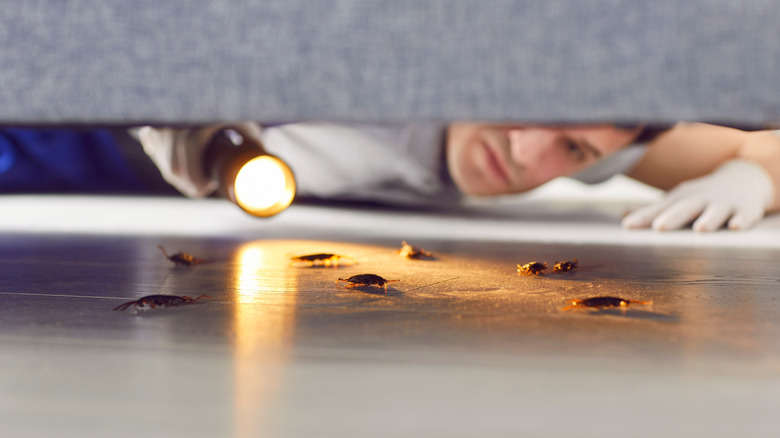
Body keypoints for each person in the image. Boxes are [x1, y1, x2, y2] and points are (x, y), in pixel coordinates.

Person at [136, 121, 780, 232]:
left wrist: (752, 177)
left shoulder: (601, 140)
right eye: (535, 112)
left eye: (572, 150)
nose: (527, 154)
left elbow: (767, 147)